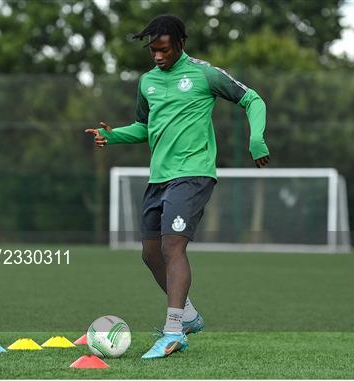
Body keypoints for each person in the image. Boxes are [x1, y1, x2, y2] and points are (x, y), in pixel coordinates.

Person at [85, 15, 270, 359]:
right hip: (159, 178)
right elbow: (144, 127)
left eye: (164, 49)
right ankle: (188, 315)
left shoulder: (204, 74)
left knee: (173, 247)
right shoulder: (147, 83)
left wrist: (256, 138)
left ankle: (174, 331)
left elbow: (252, 99)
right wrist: (112, 136)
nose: (157, 56)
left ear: (181, 43)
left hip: (194, 173)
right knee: (150, 254)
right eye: (152, 50)